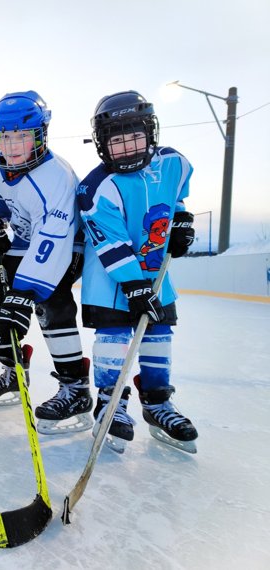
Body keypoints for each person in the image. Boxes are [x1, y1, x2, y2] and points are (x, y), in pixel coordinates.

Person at [77, 90, 199, 453]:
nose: (128, 147)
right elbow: (110, 243)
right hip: (110, 276)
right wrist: (133, 285)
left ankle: (158, 402)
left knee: (158, 332)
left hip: (154, 268)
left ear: (151, 133)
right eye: (117, 141)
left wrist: (181, 221)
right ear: (102, 145)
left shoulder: (175, 163)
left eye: (135, 136)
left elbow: (177, 197)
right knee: (115, 336)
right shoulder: (97, 187)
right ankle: (110, 405)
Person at [0, 91, 92, 433]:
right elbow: (4, 189)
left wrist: (24, 293)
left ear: (40, 136)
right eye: (6, 137)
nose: (12, 146)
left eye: (23, 137)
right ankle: (14, 373)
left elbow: (51, 242)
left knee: (49, 302)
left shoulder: (56, 177)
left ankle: (76, 389)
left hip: (65, 242)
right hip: (27, 239)